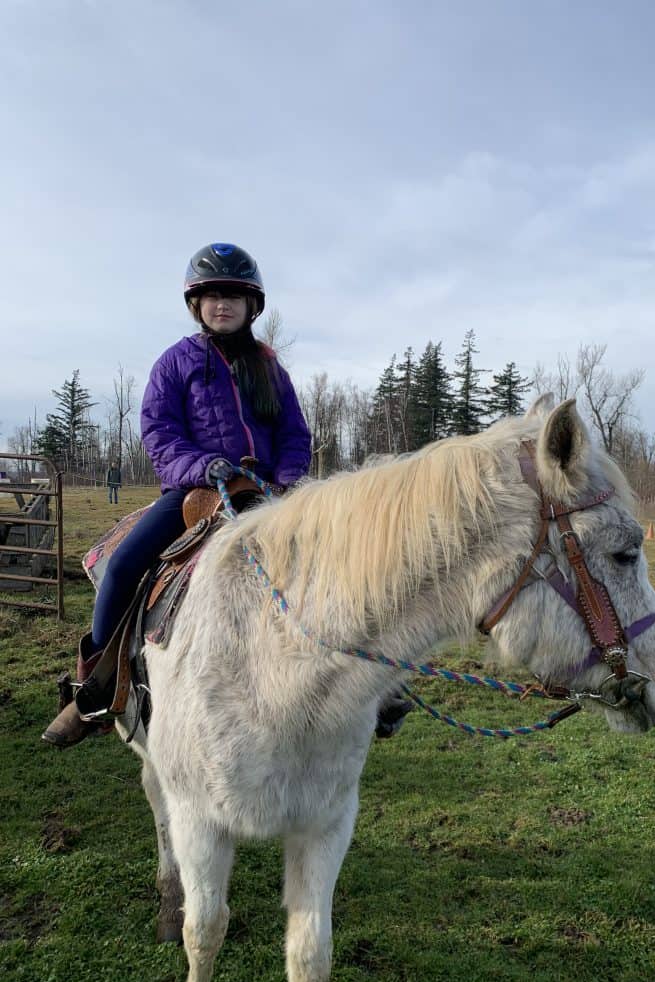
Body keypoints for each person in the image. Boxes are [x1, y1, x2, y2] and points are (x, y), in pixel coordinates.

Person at [42, 242, 412, 748]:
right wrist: (198, 465)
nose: (223, 304)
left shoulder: (268, 367)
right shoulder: (176, 363)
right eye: (213, 295)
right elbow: (158, 430)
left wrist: (283, 479)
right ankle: (95, 686)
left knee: (340, 567)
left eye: (234, 296)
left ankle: (377, 682)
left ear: (251, 306)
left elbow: (294, 434)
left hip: (267, 492)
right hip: (195, 492)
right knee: (126, 565)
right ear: (197, 304)